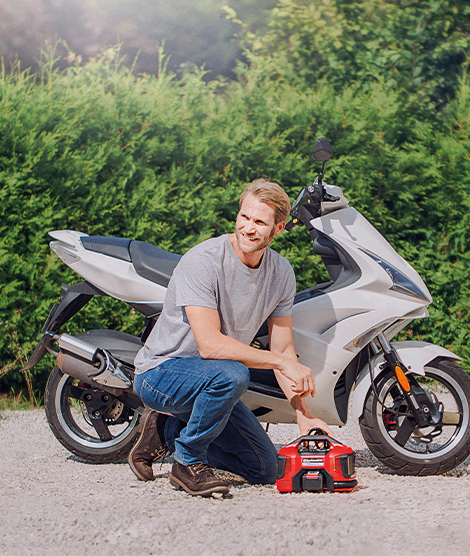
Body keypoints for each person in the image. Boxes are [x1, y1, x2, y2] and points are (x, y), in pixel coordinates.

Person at [128, 179, 330, 497]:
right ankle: (187, 463)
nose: (248, 228)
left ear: (278, 229)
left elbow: (283, 350)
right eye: (244, 217)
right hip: (161, 374)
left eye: (259, 222)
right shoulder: (203, 260)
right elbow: (210, 345)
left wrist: (303, 414)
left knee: (265, 468)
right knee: (234, 374)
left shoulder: (281, 274)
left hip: (213, 380)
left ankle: (166, 431)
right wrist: (280, 362)